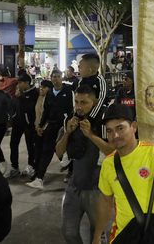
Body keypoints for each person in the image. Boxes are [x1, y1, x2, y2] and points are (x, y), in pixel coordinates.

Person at [92, 104, 154, 243]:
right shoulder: (108, 163)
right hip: (124, 234)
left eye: (120, 128)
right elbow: (106, 201)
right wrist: (97, 236)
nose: (115, 135)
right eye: (110, 131)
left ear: (134, 127)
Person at [55, 85, 115, 244]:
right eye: (76, 102)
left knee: (98, 234)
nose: (79, 107)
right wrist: (67, 132)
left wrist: (91, 135)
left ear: (94, 102)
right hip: (74, 187)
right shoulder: (71, 119)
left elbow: (113, 152)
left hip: (98, 189)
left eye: (84, 102)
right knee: (68, 231)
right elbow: (59, 152)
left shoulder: (104, 121)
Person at [28, 69, 74, 189]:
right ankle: (39, 178)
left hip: (63, 126)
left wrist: (67, 124)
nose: (57, 79)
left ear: (62, 78)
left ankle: (71, 171)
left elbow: (71, 109)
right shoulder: (49, 93)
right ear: (51, 78)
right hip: (51, 126)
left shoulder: (68, 91)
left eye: (59, 76)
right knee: (46, 151)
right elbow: (46, 111)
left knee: (63, 152)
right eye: (54, 76)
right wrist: (41, 125)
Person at [5, 74, 39, 178]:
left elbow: (30, 108)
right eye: (18, 83)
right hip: (18, 123)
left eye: (21, 83)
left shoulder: (34, 93)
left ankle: (31, 166)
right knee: (13, 144)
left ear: (28, 83)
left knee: (30, 145)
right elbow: (15, 106)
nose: (19, 85)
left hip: (29, 124)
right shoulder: (19, 93)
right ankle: (15, 167)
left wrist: (22, 98)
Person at [32, 80, 53, 179]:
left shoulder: (51, 99)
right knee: (38, 152)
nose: (41, 89)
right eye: (41, 87)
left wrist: (43, 127)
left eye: (44, 87)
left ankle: (39, 175)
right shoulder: (39, 98)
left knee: (47, 153)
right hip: (38, 128)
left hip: (47, 129)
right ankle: (37, 173)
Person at [77, 54, 107, 121]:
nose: (78, 69)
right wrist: (77, 115)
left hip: (97, 114)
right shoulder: (81, 82)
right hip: (83, 113)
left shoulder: (100, 80)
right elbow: (77, 98)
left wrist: (90, 118)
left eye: (80, 67)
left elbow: (101, 100)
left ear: (89, 70)